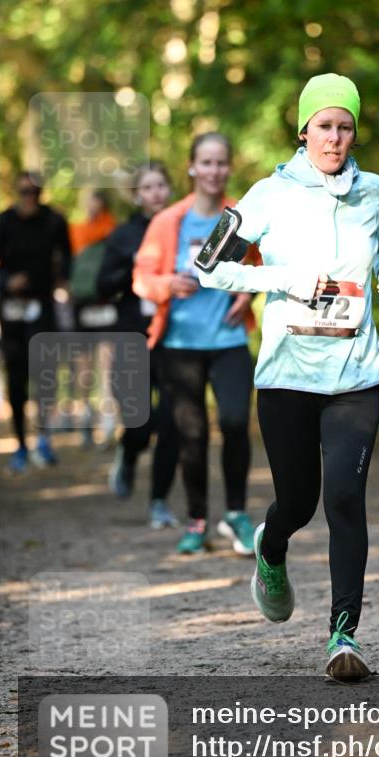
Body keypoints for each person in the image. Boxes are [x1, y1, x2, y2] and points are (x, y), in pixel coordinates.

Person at [199, 73, 379, 681]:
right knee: (299, 501)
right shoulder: (269, 194)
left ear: (355, 132)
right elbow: (208, 267)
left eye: (345, 127)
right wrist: (282, 279)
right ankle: (271, 544)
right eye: (324, 126)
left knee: (345, 498)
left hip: (356, 371)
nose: (335, 139)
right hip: (287, 375)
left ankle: (344, 637)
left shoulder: (376, 192)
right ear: (303, 129)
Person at [133, 133, 259, 556]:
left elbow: (265, 265)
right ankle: (197, 519)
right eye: (205, 162)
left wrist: (247, 294)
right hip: (180, 344)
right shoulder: (170, 221)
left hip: (228, 340)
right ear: (191, 167)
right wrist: (167, 283)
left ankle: (237, 515)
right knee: (192, 436)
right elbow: (142, 279)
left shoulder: (241, 216)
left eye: (221, 162)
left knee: (237, 423)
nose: (213, 170)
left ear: (229, 167)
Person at [97, 162, 180, 530]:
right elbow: (102, 285)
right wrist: (134, 269)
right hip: (132, 334)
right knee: (140, 423)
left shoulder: (184, 226)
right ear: (136, 195)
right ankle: (129, 455)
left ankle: (159, 501)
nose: (156, 193)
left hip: (176, 335)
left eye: (162, 185)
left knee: (172, 421)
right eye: (148, 187)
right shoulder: (124, 235)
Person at [0, 171, 71, 471]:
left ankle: (44, 439)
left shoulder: (54, 221)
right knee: (16, 377)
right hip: (12, 308)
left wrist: (61, 283)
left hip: (42, 306)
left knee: (46, 375)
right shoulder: (4, 222)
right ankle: (20, 445)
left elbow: (66, 258)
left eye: (35, 192)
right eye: (24, 191)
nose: (30, 197)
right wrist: (6, 282)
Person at [69, 190, 118, 447]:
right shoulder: (77, 231)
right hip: (87, 306)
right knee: (86, 367)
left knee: (106, 367)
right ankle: (88, 415)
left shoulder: (111, 230)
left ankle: (105, 419)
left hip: (103, 306)